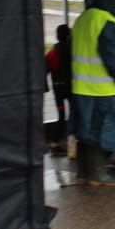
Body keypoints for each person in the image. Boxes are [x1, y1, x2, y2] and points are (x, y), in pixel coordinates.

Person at [71, 0, 115, 187]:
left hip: (81, 87)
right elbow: (112, 58)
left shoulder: (83, 18)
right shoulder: (107, 21)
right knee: (101, 131)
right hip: (103, 89)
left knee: (85, 130)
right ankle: (99, 174)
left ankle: (83, 172)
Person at [45, 24, 72, 156]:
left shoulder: (51, 53)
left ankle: (55, 143)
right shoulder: (71, 50)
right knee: (74, 114)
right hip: (71, 89)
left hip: (57, 90)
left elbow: (44, 70)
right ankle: (74, 141)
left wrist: (45, 87)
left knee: (61, 116)